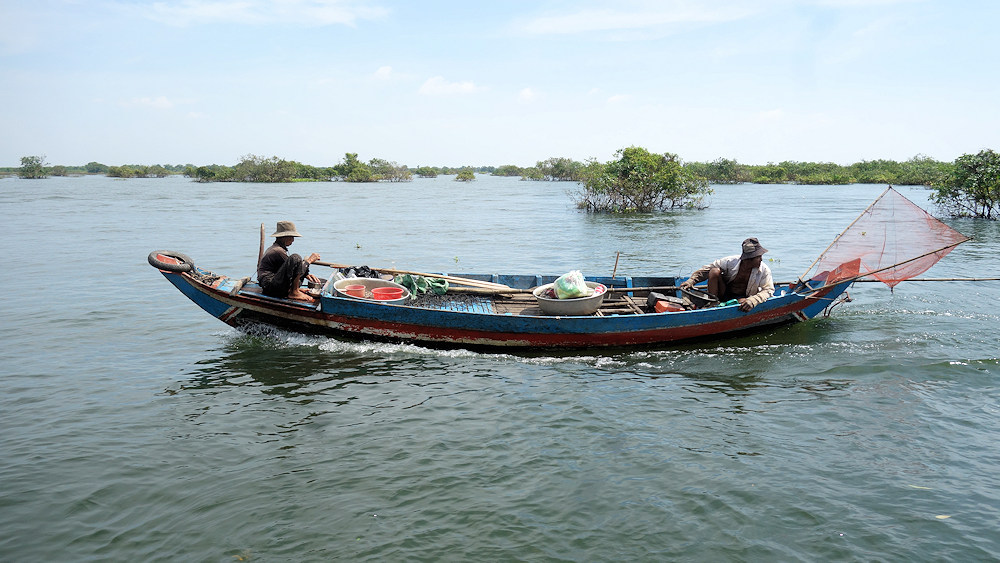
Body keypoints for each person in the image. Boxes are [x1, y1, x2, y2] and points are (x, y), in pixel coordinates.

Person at [679, 237, 774, 312]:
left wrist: (753, 300)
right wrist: (692, 280)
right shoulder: (730, 262)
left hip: (744, 298)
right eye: (758, 257)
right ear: (748, 259)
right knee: (714, 271)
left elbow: (768, 290)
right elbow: (706, 270)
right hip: (723, 293)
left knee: (744, 301)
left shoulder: (764, 270)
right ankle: (713, 304)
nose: (761, 259)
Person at [257, 221, 322, 302]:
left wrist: (306, 274)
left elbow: (293, 271)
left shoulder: (277, 249)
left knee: (298, 265)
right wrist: (309, 260)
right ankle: (294, 292)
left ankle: (294, 290)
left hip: (271, 285)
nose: (293, 240)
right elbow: (295, 267)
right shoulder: (277, 251)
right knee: (296, 258)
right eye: (292, 237)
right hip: (270, 287)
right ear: (285, 237)